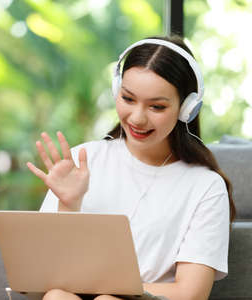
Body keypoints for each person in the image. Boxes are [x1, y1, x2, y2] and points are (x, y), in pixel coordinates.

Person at [26, 35, 236, 300]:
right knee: (57, 296)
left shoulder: (205, 187)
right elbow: (45, 276)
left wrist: (108, 289)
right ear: (116, 91)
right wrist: (69, 204)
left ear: (187, 108)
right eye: (128, 99)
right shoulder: (82, 161)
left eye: (157, 106)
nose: (137, 118)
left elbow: (190, 293)